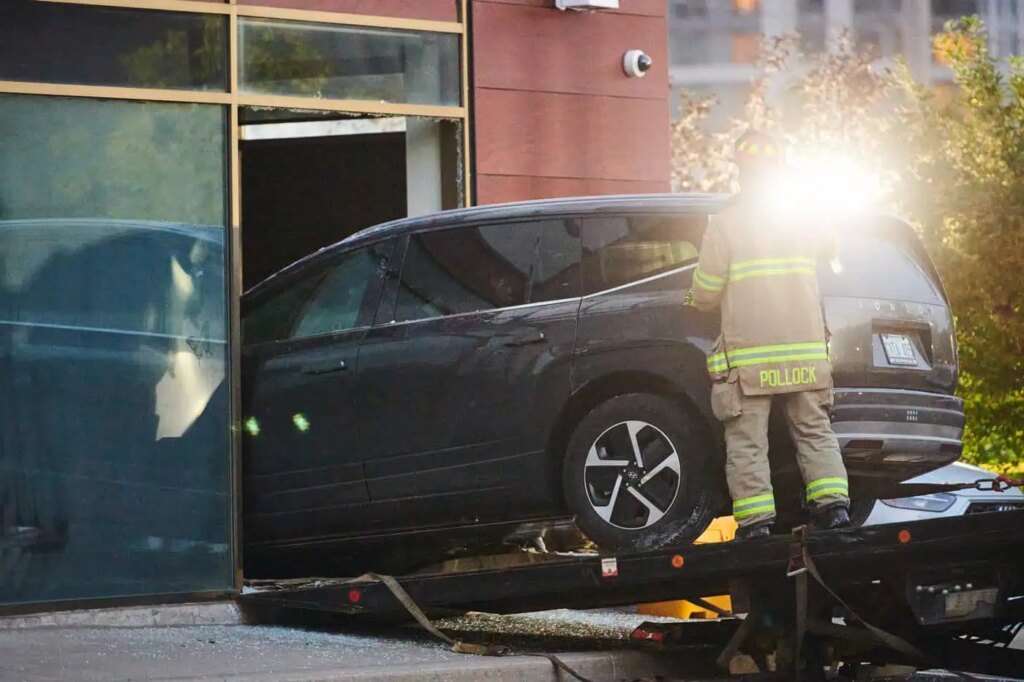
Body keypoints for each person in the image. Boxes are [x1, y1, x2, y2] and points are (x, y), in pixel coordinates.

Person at [689, 130, 851, 540]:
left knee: (746, 442)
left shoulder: (726, 222)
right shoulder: (806, 218)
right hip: (806, 354)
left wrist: (692, 299)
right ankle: (833, 509)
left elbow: (706, 290)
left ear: (742, 173)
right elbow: (833, 254)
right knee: (815, 431)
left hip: (751, 359)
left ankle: (757, 523)